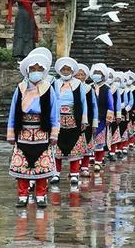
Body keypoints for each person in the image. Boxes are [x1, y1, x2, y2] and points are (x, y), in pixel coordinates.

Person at [7, 52, 59, 208]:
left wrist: (54, 133)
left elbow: (53, 112)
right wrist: (11, 133)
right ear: (28, 71)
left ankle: (41, 195)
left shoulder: (47, 89)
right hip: (23, 132)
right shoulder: (21, 88)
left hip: (42, 132)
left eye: (39, 68)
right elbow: (12, 111)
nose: (36, 71)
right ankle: (22, 195)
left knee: (42, 165)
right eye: (33, 68)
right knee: (22, 165)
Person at [52, 57, 88, 186]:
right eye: (63, 69)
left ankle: (74, 174)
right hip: (58, 119)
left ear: (72, 71)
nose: (66, 71)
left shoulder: (78, 84)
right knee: (56, 146)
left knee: (74, 146)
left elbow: (83, 102)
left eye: (68, 69)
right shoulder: (54, 83)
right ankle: (56, 173)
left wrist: (84, 120)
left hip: (74, 119)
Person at [90, 63, 115, 172]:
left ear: (103, 75)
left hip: (102, 117)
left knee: (99, 140)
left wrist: (109, 118)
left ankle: (98, 162)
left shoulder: (106, 88)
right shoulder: (89, 87)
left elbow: (110, 104)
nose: (97, 75)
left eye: (99, 73)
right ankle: (89, 158)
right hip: (90, 118)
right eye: (95, 73)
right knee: (90, 139)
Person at [75, 64, 98, 178]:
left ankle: (84, 167)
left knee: (87, 142)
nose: (79, 76)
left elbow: (94, 106)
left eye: (82, 74)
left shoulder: (89, 89)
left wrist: (94, 122)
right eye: (77, 74)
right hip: (73, 120)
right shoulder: (70, 87)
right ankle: (74, 167)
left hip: (87, 119)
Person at [108, 72, 125, 160]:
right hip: (102, 113)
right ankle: (100, 156)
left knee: (114, 133)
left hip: (113, 114)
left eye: (111, 77)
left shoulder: (115, 88)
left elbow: (118, 102)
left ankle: (112, 152)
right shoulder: (98, 87)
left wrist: (118, 115)